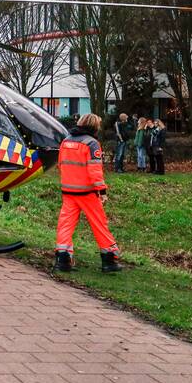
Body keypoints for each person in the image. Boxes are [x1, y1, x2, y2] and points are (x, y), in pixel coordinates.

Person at [54, 113, 122, 273]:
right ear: (94, 127)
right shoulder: (91, 144)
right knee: (99, 224)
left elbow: (60, 164)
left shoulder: (66, 141)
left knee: (65, 225)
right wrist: (102, 191)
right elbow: (95, 170)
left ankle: (63, 260)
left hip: (68, 191)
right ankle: (109, 259)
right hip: (87, 192)